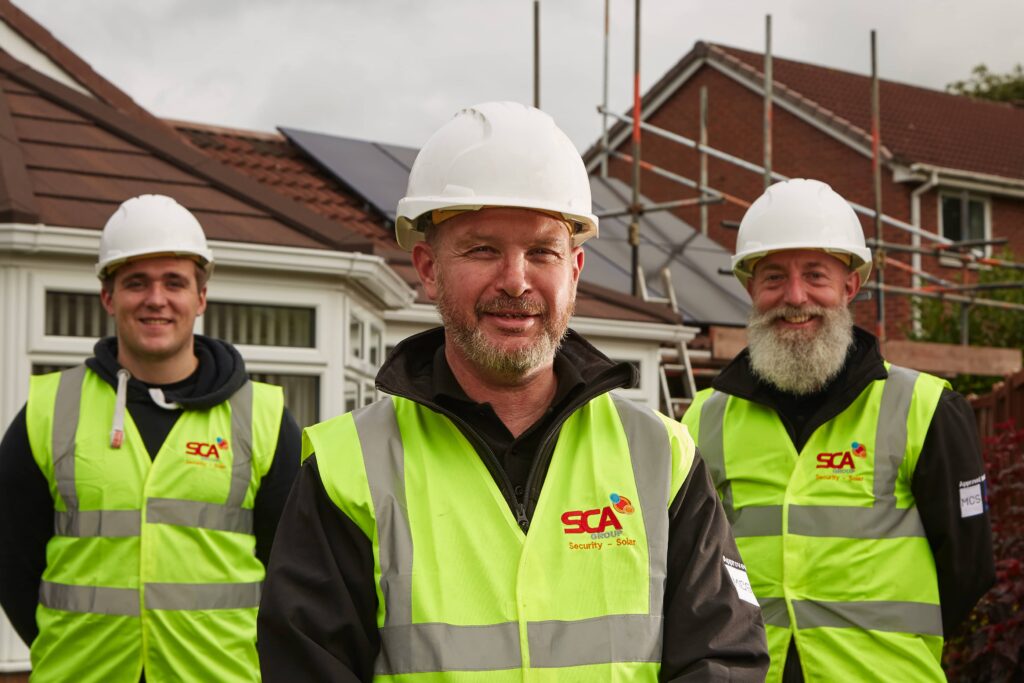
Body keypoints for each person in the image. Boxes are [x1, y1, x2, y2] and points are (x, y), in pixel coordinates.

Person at [257, 101, 769, 682]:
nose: (516, 280)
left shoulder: (661, 458)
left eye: (542, 252)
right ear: (428, 268)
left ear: (574, 271)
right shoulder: (346, 471)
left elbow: (723, 661)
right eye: (483, 249)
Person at [681, 178, 995, 682]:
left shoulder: (926, 409)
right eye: (774, 277)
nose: (795, 297)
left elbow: (968, 569)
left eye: (815, 275)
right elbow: (688, 572)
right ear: (750, 289)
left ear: (850, 285)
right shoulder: (703, 419)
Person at [0, 194, 301, 682]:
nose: (155, 299)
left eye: (174, 283)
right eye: (135, 282)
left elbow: (295, 573)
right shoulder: (50, 409)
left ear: (200, 298)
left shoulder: (262, 416)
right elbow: (11, 560)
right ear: (108, 296)